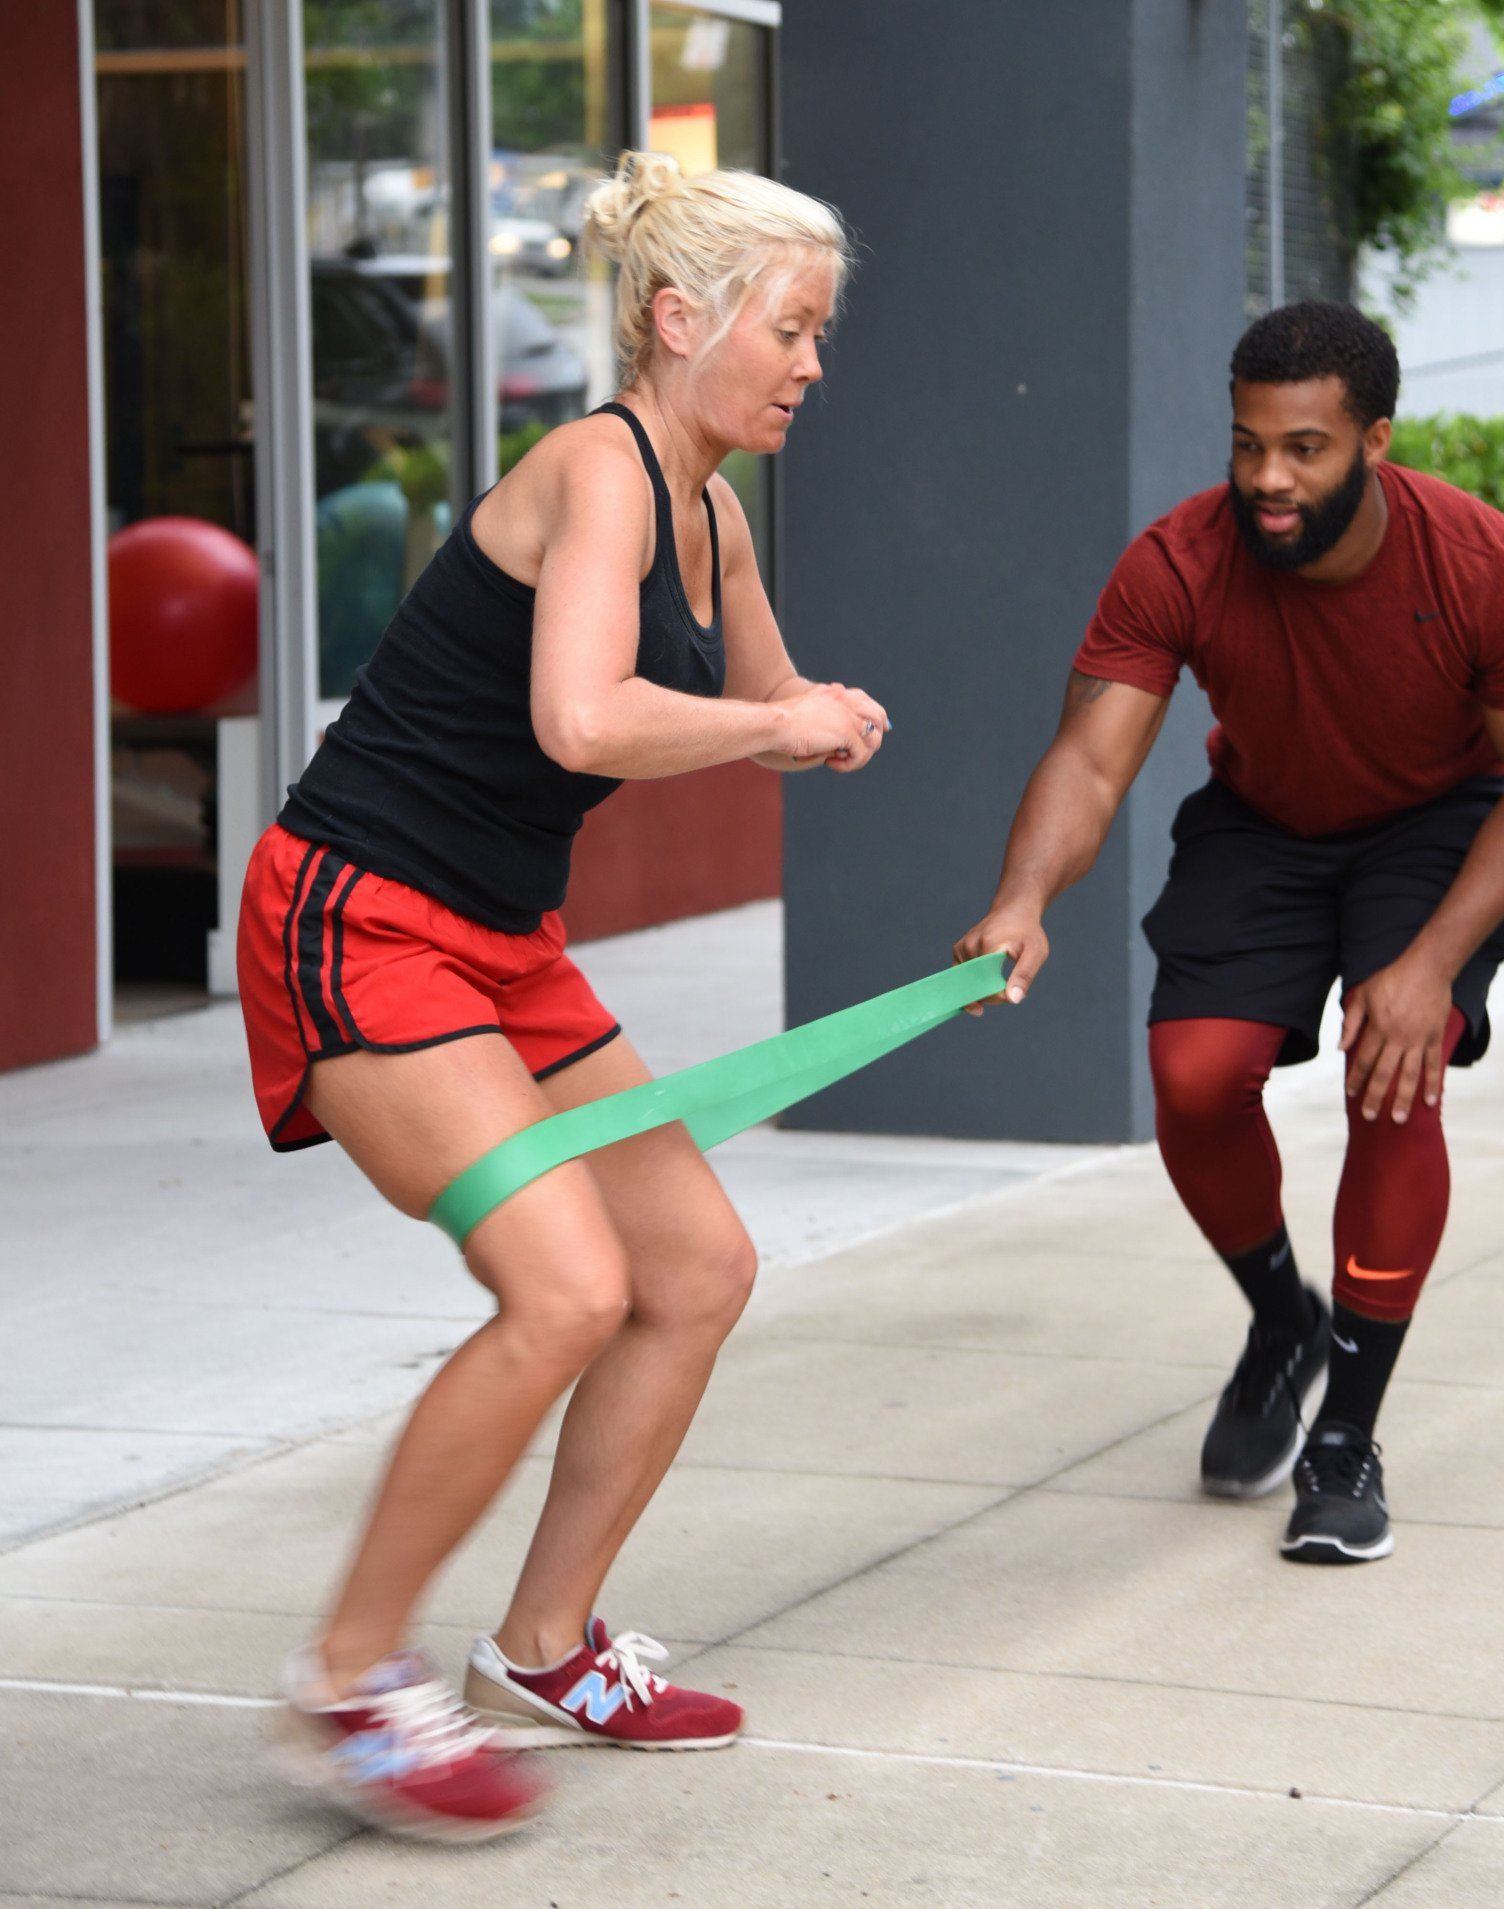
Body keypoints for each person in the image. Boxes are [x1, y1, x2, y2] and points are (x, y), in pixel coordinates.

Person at [237, 152, 886, 1842]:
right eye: (792, 330)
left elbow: (766, 696)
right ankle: (351, 1674)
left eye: (822, 333)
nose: (813, 365)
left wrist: (826, 712)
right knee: (564, 1285)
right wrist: (771, 725)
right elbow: (585, 721)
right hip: (359, 912)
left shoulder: (712, 507)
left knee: (694, 1264)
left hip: (500, 941)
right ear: (679, 319)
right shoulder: (595, 468)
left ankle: (543, 1640)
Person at [955, 301, 1504, 1566]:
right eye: (1249, 443)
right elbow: (1091, 759)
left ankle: (1346, 1437)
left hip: (1437, 819)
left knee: (1393, 1073)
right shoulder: (1180, 560)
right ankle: (1282, 1320)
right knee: (1194, 1074)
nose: (1267, 477)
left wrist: (1425, 966)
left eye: (1304, 447)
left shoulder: (1481, 565)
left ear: (1377, 440)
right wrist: (1022, 899)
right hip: (1267, 814)